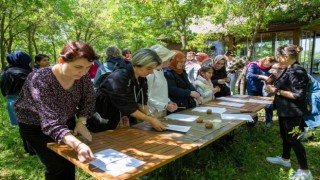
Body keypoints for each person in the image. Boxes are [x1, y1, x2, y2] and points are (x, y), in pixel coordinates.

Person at [15, 42, 97, 179]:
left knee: (69, 161)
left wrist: (81, 121)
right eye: (78, 67)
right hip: (35, 125)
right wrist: (78, 145)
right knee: (56, 166)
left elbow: (89, 99)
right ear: (61, 60)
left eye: (88, 68)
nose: (83, 72)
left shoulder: (83, 77)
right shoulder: (40, 78)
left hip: (65, 120)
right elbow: (49, 121)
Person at [265, 44, 313, 180]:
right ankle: (285, 159)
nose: (277, 58)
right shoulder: (289, 68)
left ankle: (305, 171)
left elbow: (299, 95)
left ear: (285, 57)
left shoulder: (297, 71)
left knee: (294, 139)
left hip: (293, 111)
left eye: (278, 56)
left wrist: (276, 91)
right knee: (285, 135)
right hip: (285, 109)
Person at [96, 48, 167, 131]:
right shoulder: (119, 77)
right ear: (138, 63)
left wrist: (152, 117)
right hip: (104, 120)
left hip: (122, 119)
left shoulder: (142, 78)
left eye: (153, 69)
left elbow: (142, 102)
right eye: (149, 68)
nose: (151, 72)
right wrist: (151, 120)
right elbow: (127, 107)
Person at [0, 51, 33, 126]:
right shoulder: (19, 72)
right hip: (24, 102)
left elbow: (3, 91)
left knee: (21, 127)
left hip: (11, 102)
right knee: (29, 127)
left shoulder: (5, 72)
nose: (28, 64)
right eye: (27, 62)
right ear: (21, 61)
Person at [147, 44, 177, 118]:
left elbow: (161, 93)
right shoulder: (150, 73)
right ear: (161, 60)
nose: (170, 62)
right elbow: (147, 97)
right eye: (169, 59)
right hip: (153, 112)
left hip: (162, 110)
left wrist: (169, 102)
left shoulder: (161, 71)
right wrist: (164, 105)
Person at [246, 56, 276, 127]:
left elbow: (273, 76)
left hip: (265, 89)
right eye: (267, 64)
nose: (267, 66)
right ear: (263, 61)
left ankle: (268, 121)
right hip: (253, 88)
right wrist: (262, 77)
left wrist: (271, 79)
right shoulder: (253, 65)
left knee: (268, 105)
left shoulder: (270, 68)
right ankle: (253, 121)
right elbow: (249, 75)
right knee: (252, 106)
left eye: (269, 65)